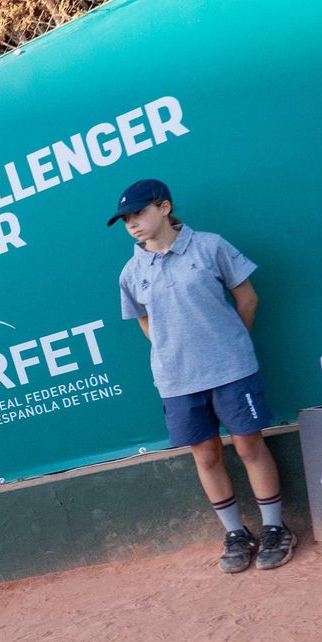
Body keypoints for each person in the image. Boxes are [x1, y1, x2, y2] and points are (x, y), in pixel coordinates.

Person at [111, 178, 294, 573]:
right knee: (206, 454)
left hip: (233, 371)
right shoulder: (130, 273)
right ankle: (235, 534)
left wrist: (229, 345)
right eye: (126, 219)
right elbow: (146, 323)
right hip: (177, 380)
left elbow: (248, 297)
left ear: (164, 207)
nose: (133, 223)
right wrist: (176, 353)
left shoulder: (210, 245)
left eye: (139, 212)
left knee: (248, 447)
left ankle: (276, 528)